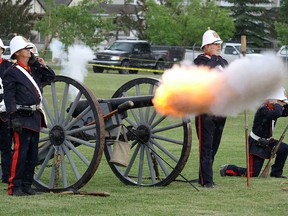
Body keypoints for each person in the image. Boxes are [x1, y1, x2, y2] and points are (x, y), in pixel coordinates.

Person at [3, 36, 55, 196]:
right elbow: (9, 96)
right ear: (18, 53)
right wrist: (14, 117)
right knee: (21, 153)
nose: (29, 51)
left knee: (32, 154)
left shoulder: (33, 70)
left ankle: (26, 185)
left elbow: (50, 77)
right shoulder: (11, 73)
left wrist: (42, 65)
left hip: (34, 115)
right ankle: (15, 187)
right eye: (26, 49)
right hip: (21, 115)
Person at [220, 88, 288, 178]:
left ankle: (276, 173)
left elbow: (285, 112)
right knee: (252, 173)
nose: (282, 103)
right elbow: (276, 114)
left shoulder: (274, 107)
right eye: (280, 100)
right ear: (272, 100)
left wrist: (282, 104)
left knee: (284, 148)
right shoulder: (263, 109)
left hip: (268, 141)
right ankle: (228, 168)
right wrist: (278, 104)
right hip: (256, 143)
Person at [193, 28, 228, 188]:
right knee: (206, 146)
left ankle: (205, 175)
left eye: (218, 44)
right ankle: (206, 180)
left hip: (221, 109)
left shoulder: (222, 61)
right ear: (206, 46)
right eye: (215, 44)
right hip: (205, 109)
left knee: (214, 145)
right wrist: (214, 57)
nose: (218, 47)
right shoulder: (200, 61)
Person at [0, 38, 13, 184]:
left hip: (4, 112)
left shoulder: (9, 67)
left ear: (2, 50)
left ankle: (6, 176)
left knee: (5, 146)